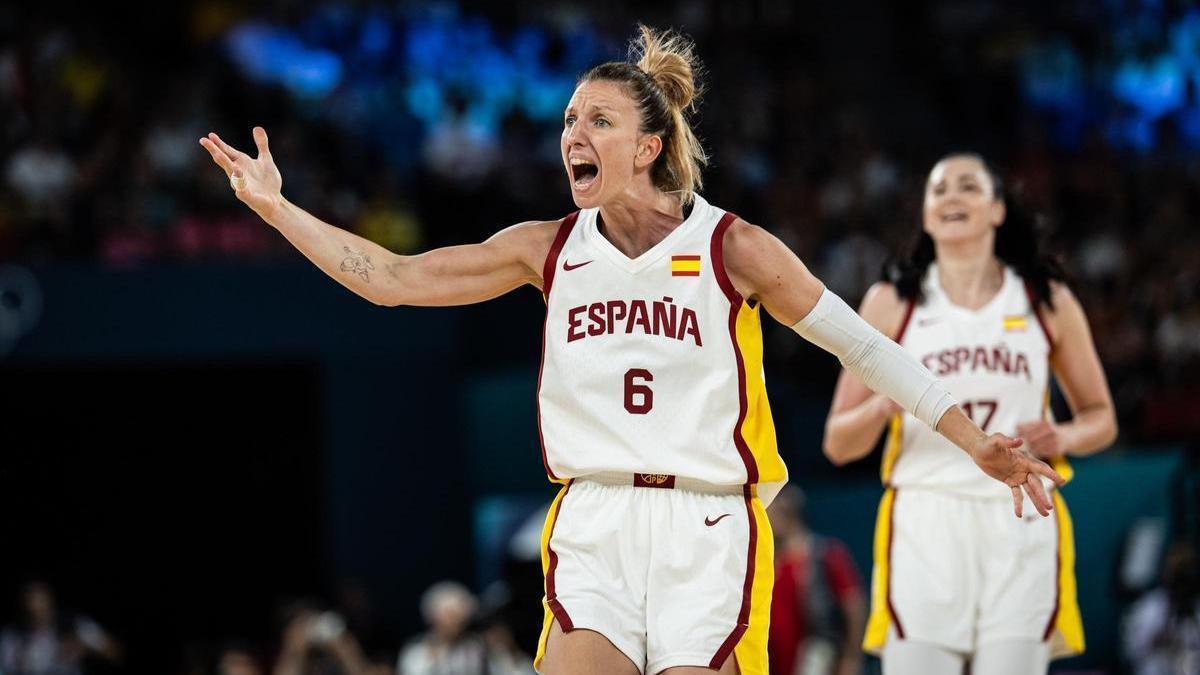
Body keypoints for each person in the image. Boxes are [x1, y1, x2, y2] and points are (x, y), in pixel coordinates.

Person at [200, 26, 1062, 675]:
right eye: (570, 119)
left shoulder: (735, 248)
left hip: (710, 522)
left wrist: (972, 436)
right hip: (596, 518)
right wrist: (280, 209)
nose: (573, 133)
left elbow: (868, 346)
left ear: (648, 147)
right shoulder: (544, 247)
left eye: (598, 120)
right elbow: (391, 277)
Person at [823, 153, 1118, 675]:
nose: (951, 197)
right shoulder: (892, 302)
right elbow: (838, 443)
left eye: (968, 187)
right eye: (939, 190)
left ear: (998, 209)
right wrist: (881, 407)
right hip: (924, 517)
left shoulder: (1046, 301)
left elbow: (1103, 420)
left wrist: (1063, 435)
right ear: (925, 213)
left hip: (1022, 515)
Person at [766, 486, 865, 675]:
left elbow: (854, 606)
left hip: (815, 655)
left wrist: (851, 657)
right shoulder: (767, 561)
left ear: (786, 512)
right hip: (773, 659)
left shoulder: (825, 554)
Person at [1123, 541, 1200, 675]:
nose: (1179, 577)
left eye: (1184, 569)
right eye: (1175, 570)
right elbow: (1129, 650)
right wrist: (1156, 639)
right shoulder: (1149, 606)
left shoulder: (1196, 607)